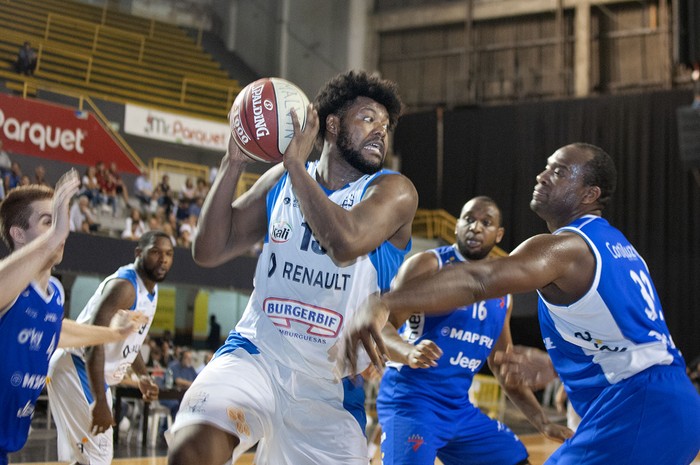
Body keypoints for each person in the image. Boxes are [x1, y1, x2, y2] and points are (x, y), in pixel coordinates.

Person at [345, 143, 700, 464]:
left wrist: (383, 301)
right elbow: (628, 342)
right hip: (672, 403)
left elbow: (477, 280)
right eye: (546, 167)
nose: (542, 175)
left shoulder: (564, 248)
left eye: (559, 171)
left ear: (590, 193)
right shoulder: (621, 248)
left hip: (637, 407)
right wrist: (556, 368)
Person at [167, 70, 418, 465]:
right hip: (257, 354)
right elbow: (208, 251)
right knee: (192, 450)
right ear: (332, 125)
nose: (380, 133)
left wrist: (297, 169)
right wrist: (233, 163)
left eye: (386, 127)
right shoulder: (282, 180)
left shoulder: (393, 191)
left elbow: (345, 243)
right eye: (369, 119)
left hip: (329, 387)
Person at [377, 196, 573, 465]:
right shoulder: (427, 264)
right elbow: (381, 323)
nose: (476, 227)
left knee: (516, 459)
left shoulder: (503, 292)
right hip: (413, 403)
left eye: (486, 222)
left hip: (458, 409)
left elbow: (503, 366)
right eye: (469, 219)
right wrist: (408, 352)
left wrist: (542, 421)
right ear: (457, 226)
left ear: (499, 234)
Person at [0, 173, 146, 465]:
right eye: (48, 221)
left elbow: (58, 331)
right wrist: (53, 238)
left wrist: (113, 335)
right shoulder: (10, 287)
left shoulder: (53, 292)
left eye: (60, 220)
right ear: (19, 234)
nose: (61, 230)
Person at [47, 230, 175, 465]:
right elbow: (94, 341)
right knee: (99, 456)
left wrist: (142, 375)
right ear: (139, 253)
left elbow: (131, 340)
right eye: (156, 252)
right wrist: (100, 401)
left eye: (168, 254)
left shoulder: (151, 290)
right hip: (77, 367)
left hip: (90, 375)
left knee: (87, 458)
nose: (163, 259)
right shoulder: (125, 286)